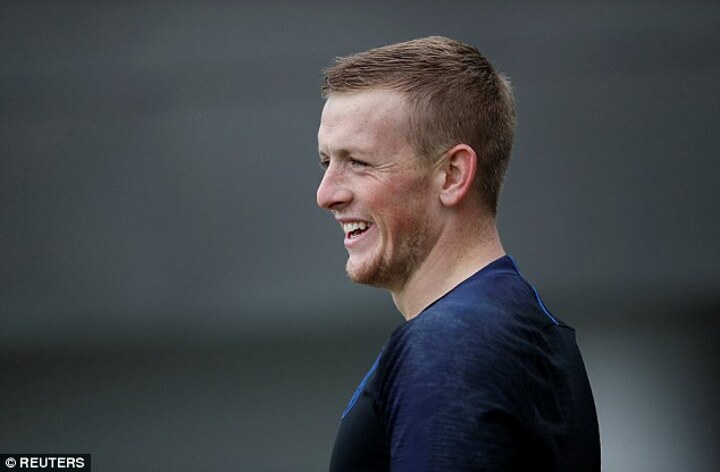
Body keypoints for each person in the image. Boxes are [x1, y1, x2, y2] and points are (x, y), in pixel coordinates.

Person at [316, 36, 600, 472]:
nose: (326, 195)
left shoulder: (450, 344)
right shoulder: (523, 329)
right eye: (326, 163)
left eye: (358, 162)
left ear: (452, 174)